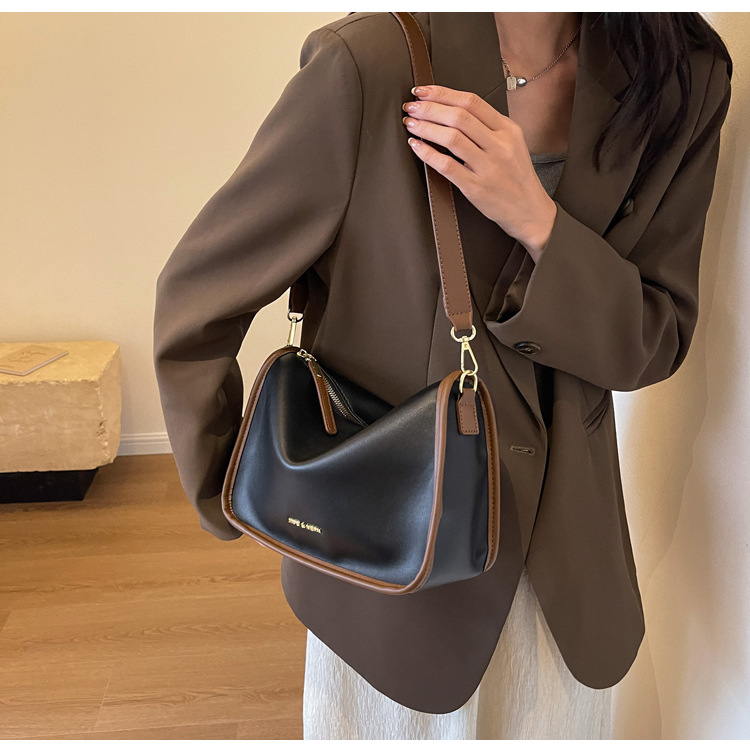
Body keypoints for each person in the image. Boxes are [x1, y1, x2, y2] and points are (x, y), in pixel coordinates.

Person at [153, 11, 733, 740]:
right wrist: (240, 494)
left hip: (565, 572)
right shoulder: (369, 64)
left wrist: (540, 222)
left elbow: (655, 339)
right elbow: (198, 299)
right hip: (389, 568)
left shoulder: (682, 75)